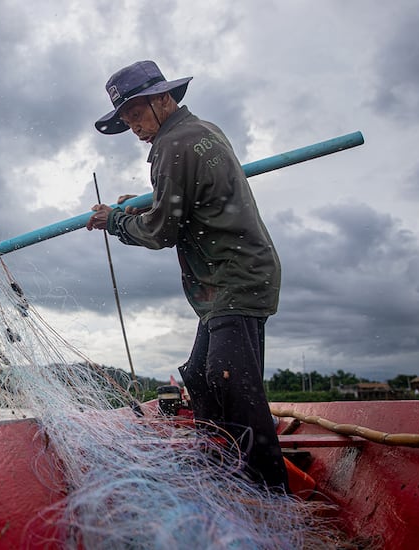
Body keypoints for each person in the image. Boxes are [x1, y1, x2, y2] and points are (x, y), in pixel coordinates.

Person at [87, 60, 288, 491]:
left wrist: (114, 221)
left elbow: (163, 230)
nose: (135, 127)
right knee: (200, 376)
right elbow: (188, 200)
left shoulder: (171, 145)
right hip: (230, 281)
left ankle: (271, 494)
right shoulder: (201, 131)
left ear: (164, 98)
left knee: (232, 384)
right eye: (126, 120)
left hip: (235, 277)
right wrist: (145, 203)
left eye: (137, 114)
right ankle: (221, 465)